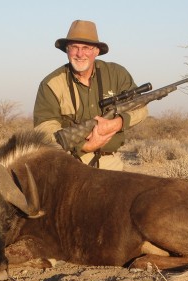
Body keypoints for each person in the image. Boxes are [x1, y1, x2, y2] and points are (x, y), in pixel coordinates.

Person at [33, 20, 148, 171]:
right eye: (74, 47)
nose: (80, 54)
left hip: (109, 162)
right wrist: (85, 146)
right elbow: (44, 129)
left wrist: (117, 122)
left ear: (96, 51)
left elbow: (141, 108)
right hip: (67, 162)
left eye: (86, 47)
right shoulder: (51, 84)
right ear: (67, 50)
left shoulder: (117, 74)